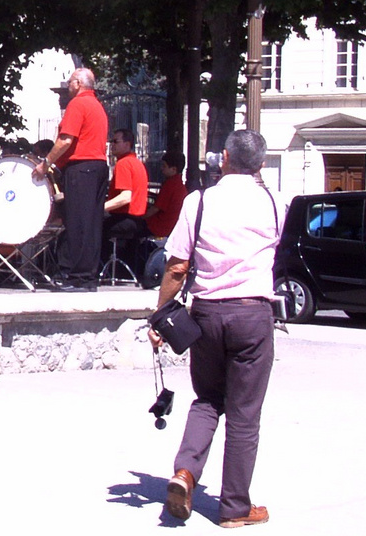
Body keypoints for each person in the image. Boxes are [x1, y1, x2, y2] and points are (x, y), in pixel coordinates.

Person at [156, 129, 281, 528]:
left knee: (207, 398)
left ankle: (185, 473)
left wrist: (159, 316)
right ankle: (234, 508)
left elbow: (177, 266)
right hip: (253, 314)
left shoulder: (200, 201)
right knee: (244, 414)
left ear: (223, 158)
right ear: (261, 164)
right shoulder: (276, 202)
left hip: (207, 313)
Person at [41, 67, 109, 292]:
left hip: (82, 168)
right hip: (98, 166)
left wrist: (46, 163)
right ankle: (88, 276)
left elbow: (66, 140)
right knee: (91, 224)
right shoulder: (97, 106)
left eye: (70, 82)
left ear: (79, 84)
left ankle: (77, 276)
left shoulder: (78, 104)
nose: (67, 86)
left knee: (78, 222)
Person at [103, 126, 150, 275]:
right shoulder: (138, 164)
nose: (112, 144)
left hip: (124, 218)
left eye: (115, 141)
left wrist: (99, 208)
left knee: (91, 227)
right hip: (137, 220)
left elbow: (125, 197)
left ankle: (98, 268)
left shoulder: (123, 164)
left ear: (127, 144)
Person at [146, 150, 188, 241]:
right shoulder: (179, 185)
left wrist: (140, 216)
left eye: (164, 166)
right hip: (171, 226)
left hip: (160, 227)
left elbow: (155, 209)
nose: (162, 169)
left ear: (173, 169)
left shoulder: (170, 185)